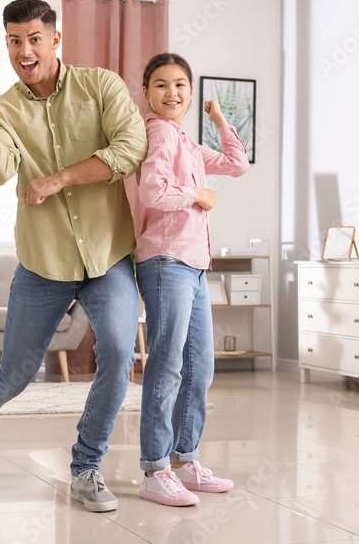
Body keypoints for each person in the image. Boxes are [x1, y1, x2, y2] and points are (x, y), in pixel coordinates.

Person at [0, 0, 147, 513]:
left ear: (55, 40)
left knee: (118, 354)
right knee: (17, 372)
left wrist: (58, 178)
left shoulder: (101, 87)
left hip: (107, 255)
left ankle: (86, 468)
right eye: (13, 40)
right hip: (43, 261)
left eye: (33, 38)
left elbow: (130, 148)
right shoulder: (0, 110)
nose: (24, 50)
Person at [126, 52, 249, 506]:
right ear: (146, 93)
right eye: (161, 85)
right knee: (169, 365)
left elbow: (237, 164)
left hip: (194, 265)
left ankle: (185, 459)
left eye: (180, 85)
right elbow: (152, 191)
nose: (171, 93)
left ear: (191, 93)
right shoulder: (158, 131)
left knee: (200, 368)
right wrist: (197, 194)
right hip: (165, 261)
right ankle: (155, 469)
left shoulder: (188, 143)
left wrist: (219, 120)